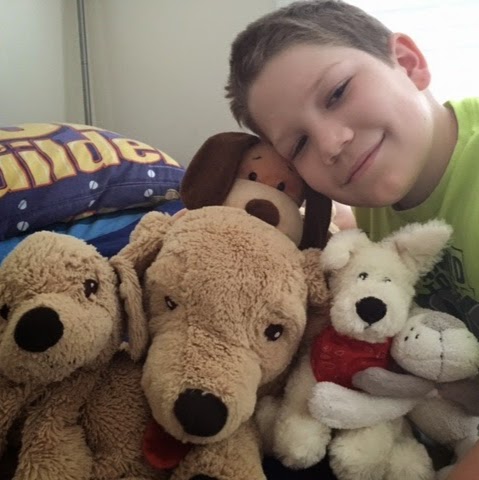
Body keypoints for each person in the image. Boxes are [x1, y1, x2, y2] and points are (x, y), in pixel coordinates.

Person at [225, 0, 479, 478]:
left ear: (409, 63)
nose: (330, 143)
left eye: (338, 92)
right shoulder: (372, 209)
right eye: (300, 144)